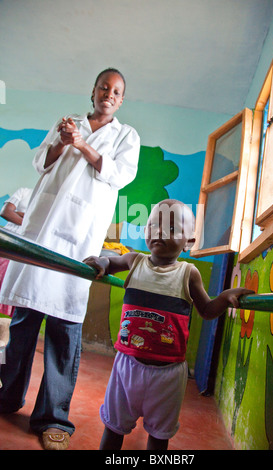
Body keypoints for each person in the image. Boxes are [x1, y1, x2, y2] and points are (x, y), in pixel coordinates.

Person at [0, 68, 140, 450]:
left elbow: (119, 175)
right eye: (103, 87)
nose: (108, 94)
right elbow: (41, 163)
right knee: (25, 322)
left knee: (64, 330)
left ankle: (52, 418)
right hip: (42, 231)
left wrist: (81, 145)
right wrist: (63, 142)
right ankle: (7, 398)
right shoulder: (68, 123)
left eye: (116, 91)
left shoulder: (126, 136)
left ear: (121, 100)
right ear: (92, 90)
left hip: (79, 239)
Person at [84, 199, 253, 450]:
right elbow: (111, 263)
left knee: (159, 435)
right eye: (153, 225)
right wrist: (101, 262)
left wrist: (224, 298)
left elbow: (206, 310)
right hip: (127, 366)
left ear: (189, 241)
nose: (160, 232)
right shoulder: (134, 261)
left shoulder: (188, 273)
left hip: (169, 374)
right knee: (114, 427)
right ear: (145, 232)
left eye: (172, 228)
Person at [0, 187, 33, 317]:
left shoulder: (50, 202)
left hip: (24, 252)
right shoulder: (24, 191)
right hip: (6, 244)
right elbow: (6, 212)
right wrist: (29, 222)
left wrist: (18, 213)